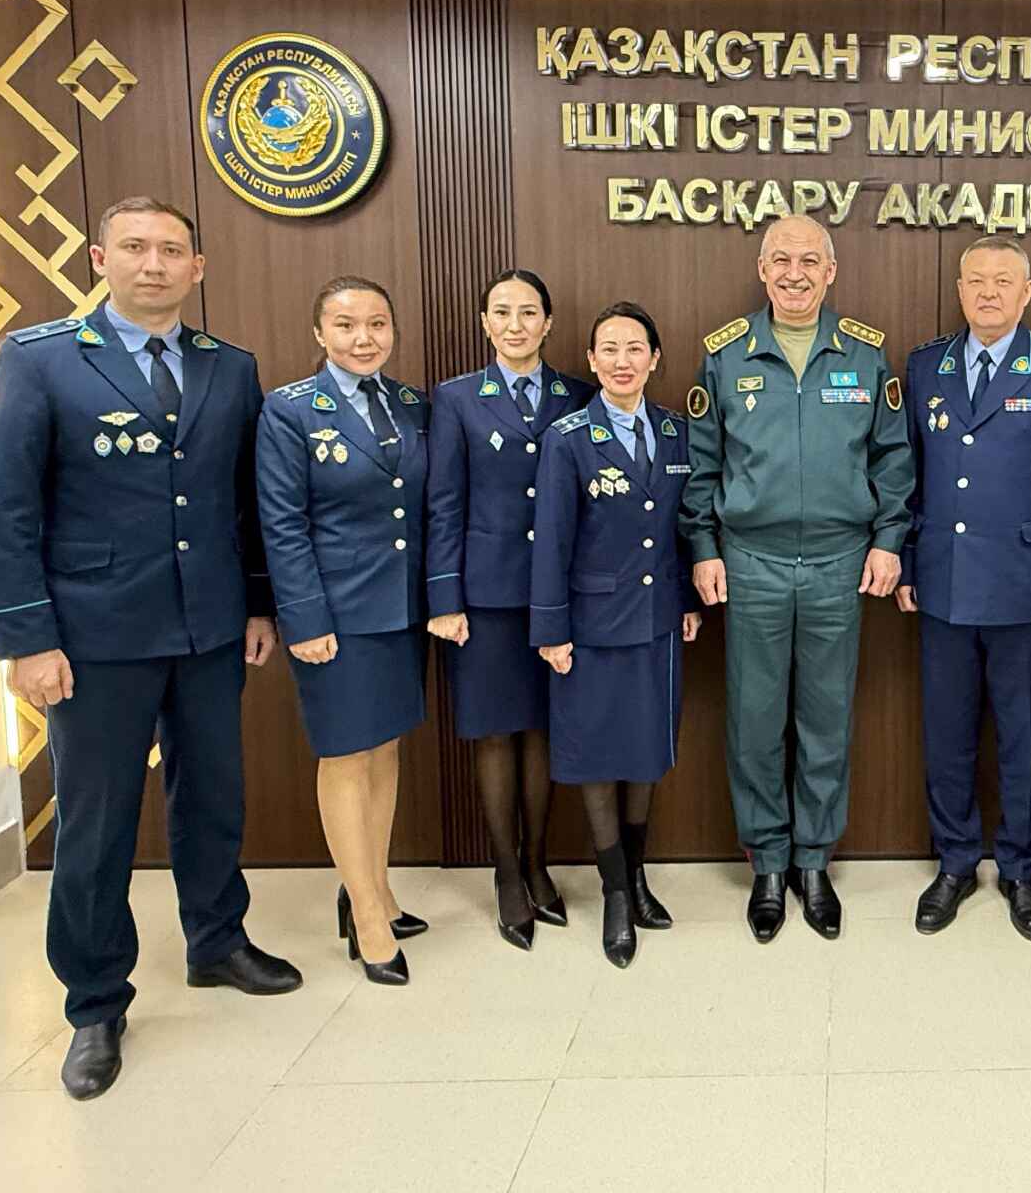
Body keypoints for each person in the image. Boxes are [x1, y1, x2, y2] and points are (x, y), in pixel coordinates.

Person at [0, 195, 301, 1101]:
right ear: (100, 258)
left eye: (171, 250)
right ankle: (94, 1001)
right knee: (98, 819)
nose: (154, 264)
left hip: (207, 626)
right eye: (135, 248)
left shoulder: (230, 367)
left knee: (214, 797)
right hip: (94, 635)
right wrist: (28, 639)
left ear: (199, 266)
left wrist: (258, 605)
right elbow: (3, 511)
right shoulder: (41, 359)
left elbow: (245, 500)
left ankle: (216, 941)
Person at [681, 214, 913, 942]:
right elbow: (702, 465)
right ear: (762, 270)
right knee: (755, 720)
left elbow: (893, 460)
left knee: (825, 718)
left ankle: (814, 860)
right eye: (781, 260)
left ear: (831, 272)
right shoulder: (726, 355)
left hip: (840, 565)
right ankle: (768, 863)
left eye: (810, 260)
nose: (794, 273)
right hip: (750, 562)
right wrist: (703, 546)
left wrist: (889, 540)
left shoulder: (866, 355)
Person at [898, 235, 1031, 942]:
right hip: (944, 584)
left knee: (1022, 736)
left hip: (1026, 589)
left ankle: (1018, 868)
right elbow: (910, 477)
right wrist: (909, 565)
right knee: (947, 735)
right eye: (976, 281)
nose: (989, 293)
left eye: (1003, 281)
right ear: (960, 290)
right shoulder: (925, 365)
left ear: (1027, 291)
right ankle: (955, 861)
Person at [256, 276, 430, 986]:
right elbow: (281, 521)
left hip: (400, 607)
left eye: (378, 324)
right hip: (334, 615)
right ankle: (365, 918)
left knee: (384, 750)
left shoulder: (409, 404)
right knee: (346, 757)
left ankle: (376, 890)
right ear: (319, 334)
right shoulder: (290, 410)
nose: (365, 338)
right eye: (347, 325)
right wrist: (303, 616)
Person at [532, 302, 700, 967]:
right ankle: (614, 893)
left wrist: (687, 599)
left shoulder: (676, 431)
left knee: (645, 753)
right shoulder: (569, 437)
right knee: (597, 758)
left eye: (635, 348)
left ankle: (637, 875)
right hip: (592, 625)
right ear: (591, 360)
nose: (622, 361)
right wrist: (551, 629)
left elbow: (685, 527)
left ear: (655, 358)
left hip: (658, 621)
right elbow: (551, 540)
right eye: (609, 349)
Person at [427, 270, 590, 950]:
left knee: (545, 729)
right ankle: (504, 872)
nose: (516, 325)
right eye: (502, 312)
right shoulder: (457, 398)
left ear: (548, 323)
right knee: (496, 732)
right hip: (486, 595)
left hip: (559, 593)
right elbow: (443, 501)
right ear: (484, 323)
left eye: (528, 312)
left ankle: (538, 862)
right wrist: (445, 597)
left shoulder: (577, 395)